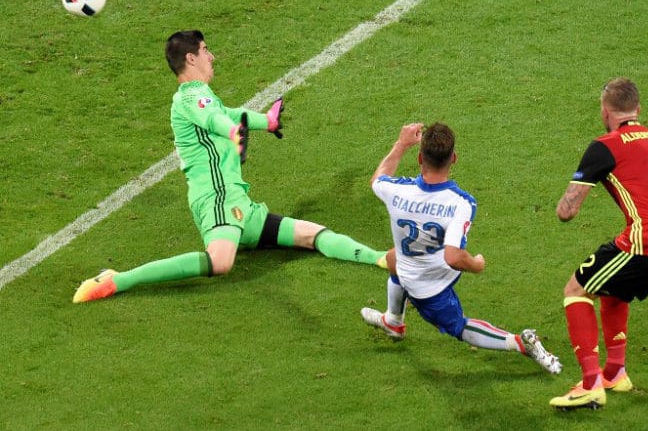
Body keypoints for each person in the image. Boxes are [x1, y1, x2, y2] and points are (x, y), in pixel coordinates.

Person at [73, 30, 386, 303]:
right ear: (190, 58)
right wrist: (232, 133)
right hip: (217, 199)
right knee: (220, 262)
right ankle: (119, 279)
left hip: (239, 205)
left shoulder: (201, 97)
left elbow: (228, 112)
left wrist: (268, 121)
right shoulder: (190, 97)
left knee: (311, 234)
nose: (212, 56)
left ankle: (380, 258)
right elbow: (217, 120)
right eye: (206, 50)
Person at [360, 122, 562, 375]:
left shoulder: (396, 191)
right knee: (457, 325)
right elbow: (453, 256)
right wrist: (476, 264)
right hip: (431, 279)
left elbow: (378, 179)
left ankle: (393, 322)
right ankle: (520, 344)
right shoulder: (460, 203)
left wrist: (401, 144)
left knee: (395, 258)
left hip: (420, 278)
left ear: (420, 157)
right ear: (453, 158)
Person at [549, 77, 648, 410]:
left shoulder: (605, 146)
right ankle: (615, 372)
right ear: (638, 109)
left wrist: (585, 176)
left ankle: (590, 384)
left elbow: (567, 212)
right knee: (615, 288)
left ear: (605, 111)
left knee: (577, 288)